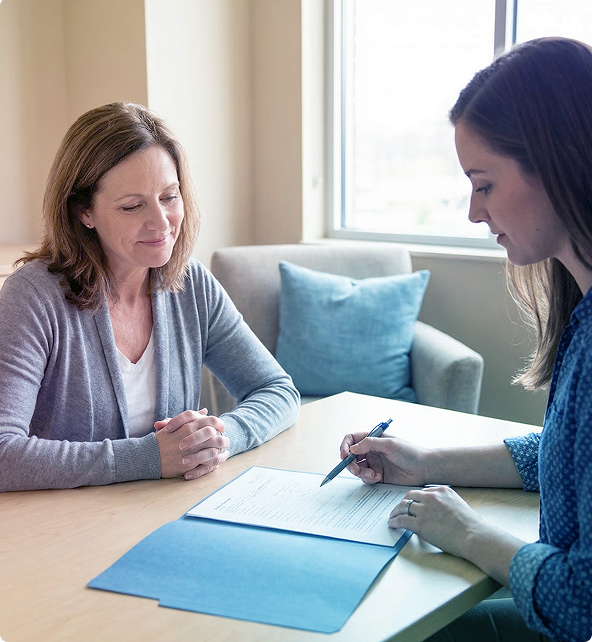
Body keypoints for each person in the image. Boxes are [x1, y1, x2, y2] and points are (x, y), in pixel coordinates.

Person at [339, 38, 592, 642]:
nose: (476, 214)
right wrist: (426, 462)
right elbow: (564, 452)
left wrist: (469, 533)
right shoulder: (581, 317)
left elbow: (584, 599)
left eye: (484, 184)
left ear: (558, 162)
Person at [0, 102, 300, 492]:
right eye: (132, 205)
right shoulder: (33, 296)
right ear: (83, 212)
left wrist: (216, 440)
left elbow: (277, 391)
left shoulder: (192, 285)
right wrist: (150, 457)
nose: (161, 223)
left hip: (160, 518)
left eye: (169, 197)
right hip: (66, 532)